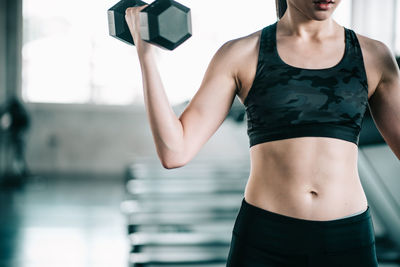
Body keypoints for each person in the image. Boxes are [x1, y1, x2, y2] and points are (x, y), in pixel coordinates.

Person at [125, 0, 400, 266]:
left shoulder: (374, 56)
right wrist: (145, 54)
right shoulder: (242, 54)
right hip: (266, 239)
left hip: (348, 240)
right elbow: (175, 152)